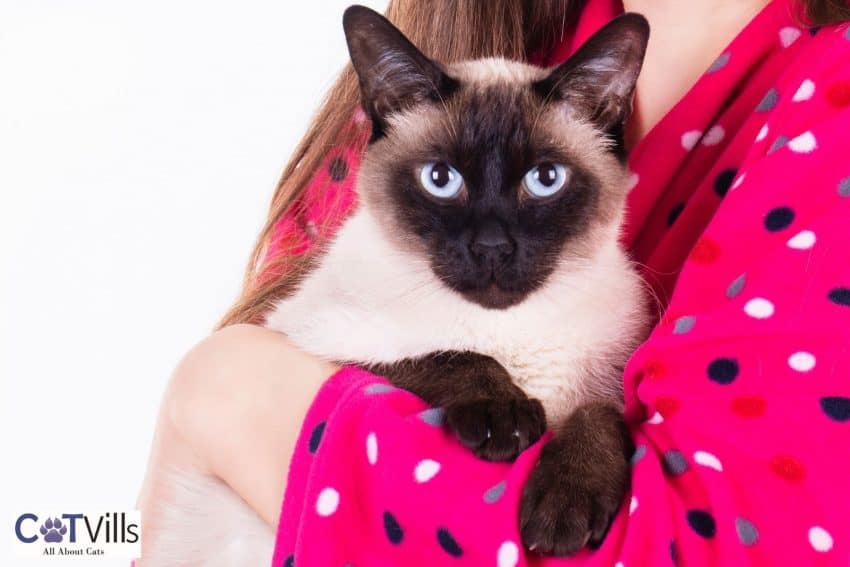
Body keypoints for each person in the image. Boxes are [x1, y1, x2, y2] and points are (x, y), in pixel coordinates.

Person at [137, 0, 850, 564]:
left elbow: (708, 547)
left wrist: (224, 392)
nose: (489, 241)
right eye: (444, 182)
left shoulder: (827, 94)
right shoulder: (475, 23)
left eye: (544, 181)